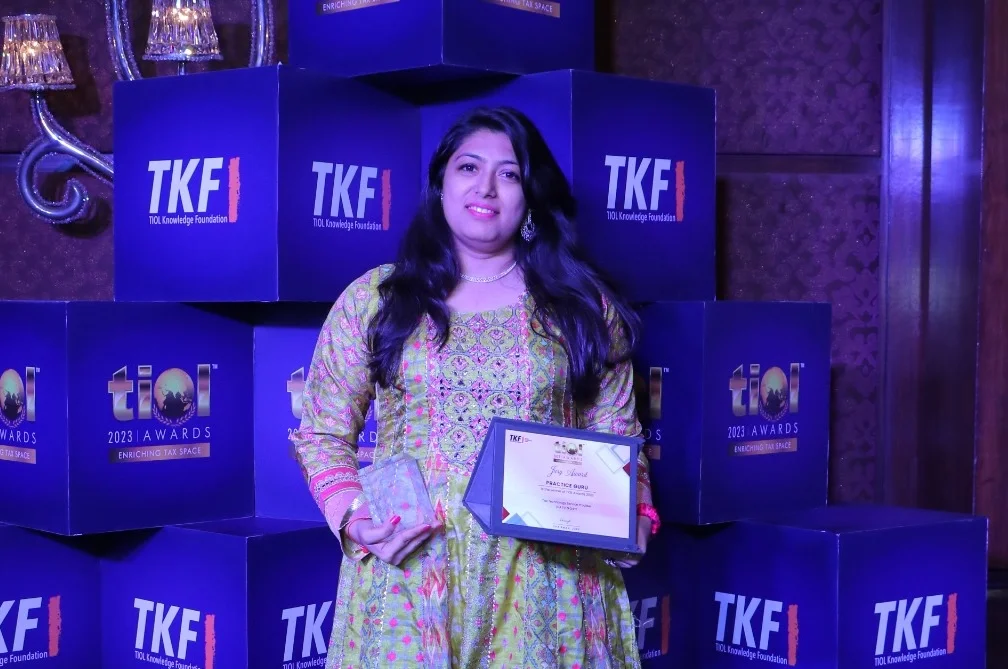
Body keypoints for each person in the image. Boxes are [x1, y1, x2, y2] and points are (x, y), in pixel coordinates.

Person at [290, 105, 659, 669]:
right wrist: (354, 516)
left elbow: (617, 433)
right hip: (412, 576)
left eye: (509, 173)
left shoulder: (580, 307)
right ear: (441, 182)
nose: (486, 187)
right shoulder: (377, 299)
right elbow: (321, 432)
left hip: (547, 582)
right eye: (468, 167)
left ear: (530, 195)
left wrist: (634, 517)